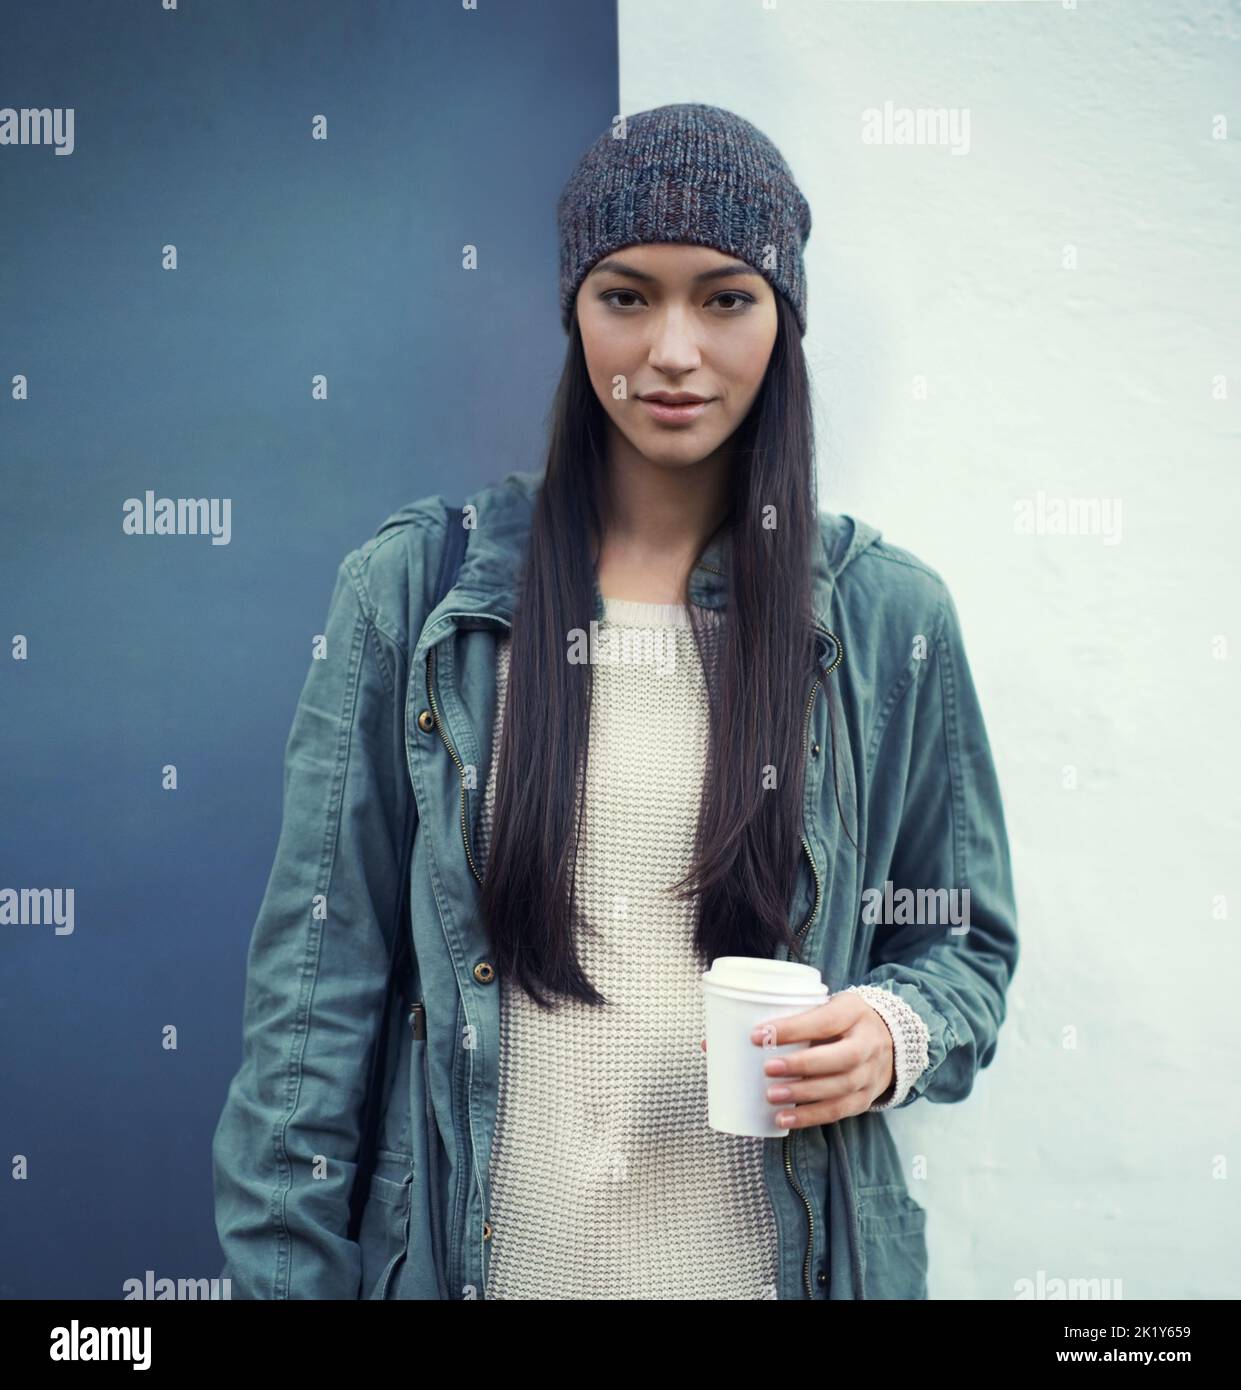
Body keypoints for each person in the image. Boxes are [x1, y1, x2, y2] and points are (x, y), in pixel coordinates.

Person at [211, 101, 1019, 1301]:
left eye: (725, 297)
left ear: (784, 319)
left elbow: (959, 943)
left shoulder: (884, 613)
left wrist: (891, 1036)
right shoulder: (416, 589)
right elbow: (307, 1010)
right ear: (572, 313)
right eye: (626, 295)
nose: (673, 351)